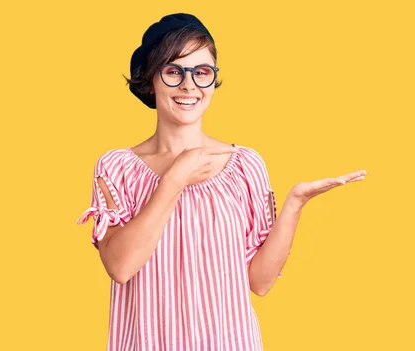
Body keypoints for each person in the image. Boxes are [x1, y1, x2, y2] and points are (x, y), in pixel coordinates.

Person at [76, 13, 366, 351]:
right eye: (174, 72)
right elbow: (121, 266)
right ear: (150, 79)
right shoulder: (116, 168)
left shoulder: (245, 165)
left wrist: (295, 204)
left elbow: (260, 281)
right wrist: (175, 179)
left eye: (202, 73)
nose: (189, 86)